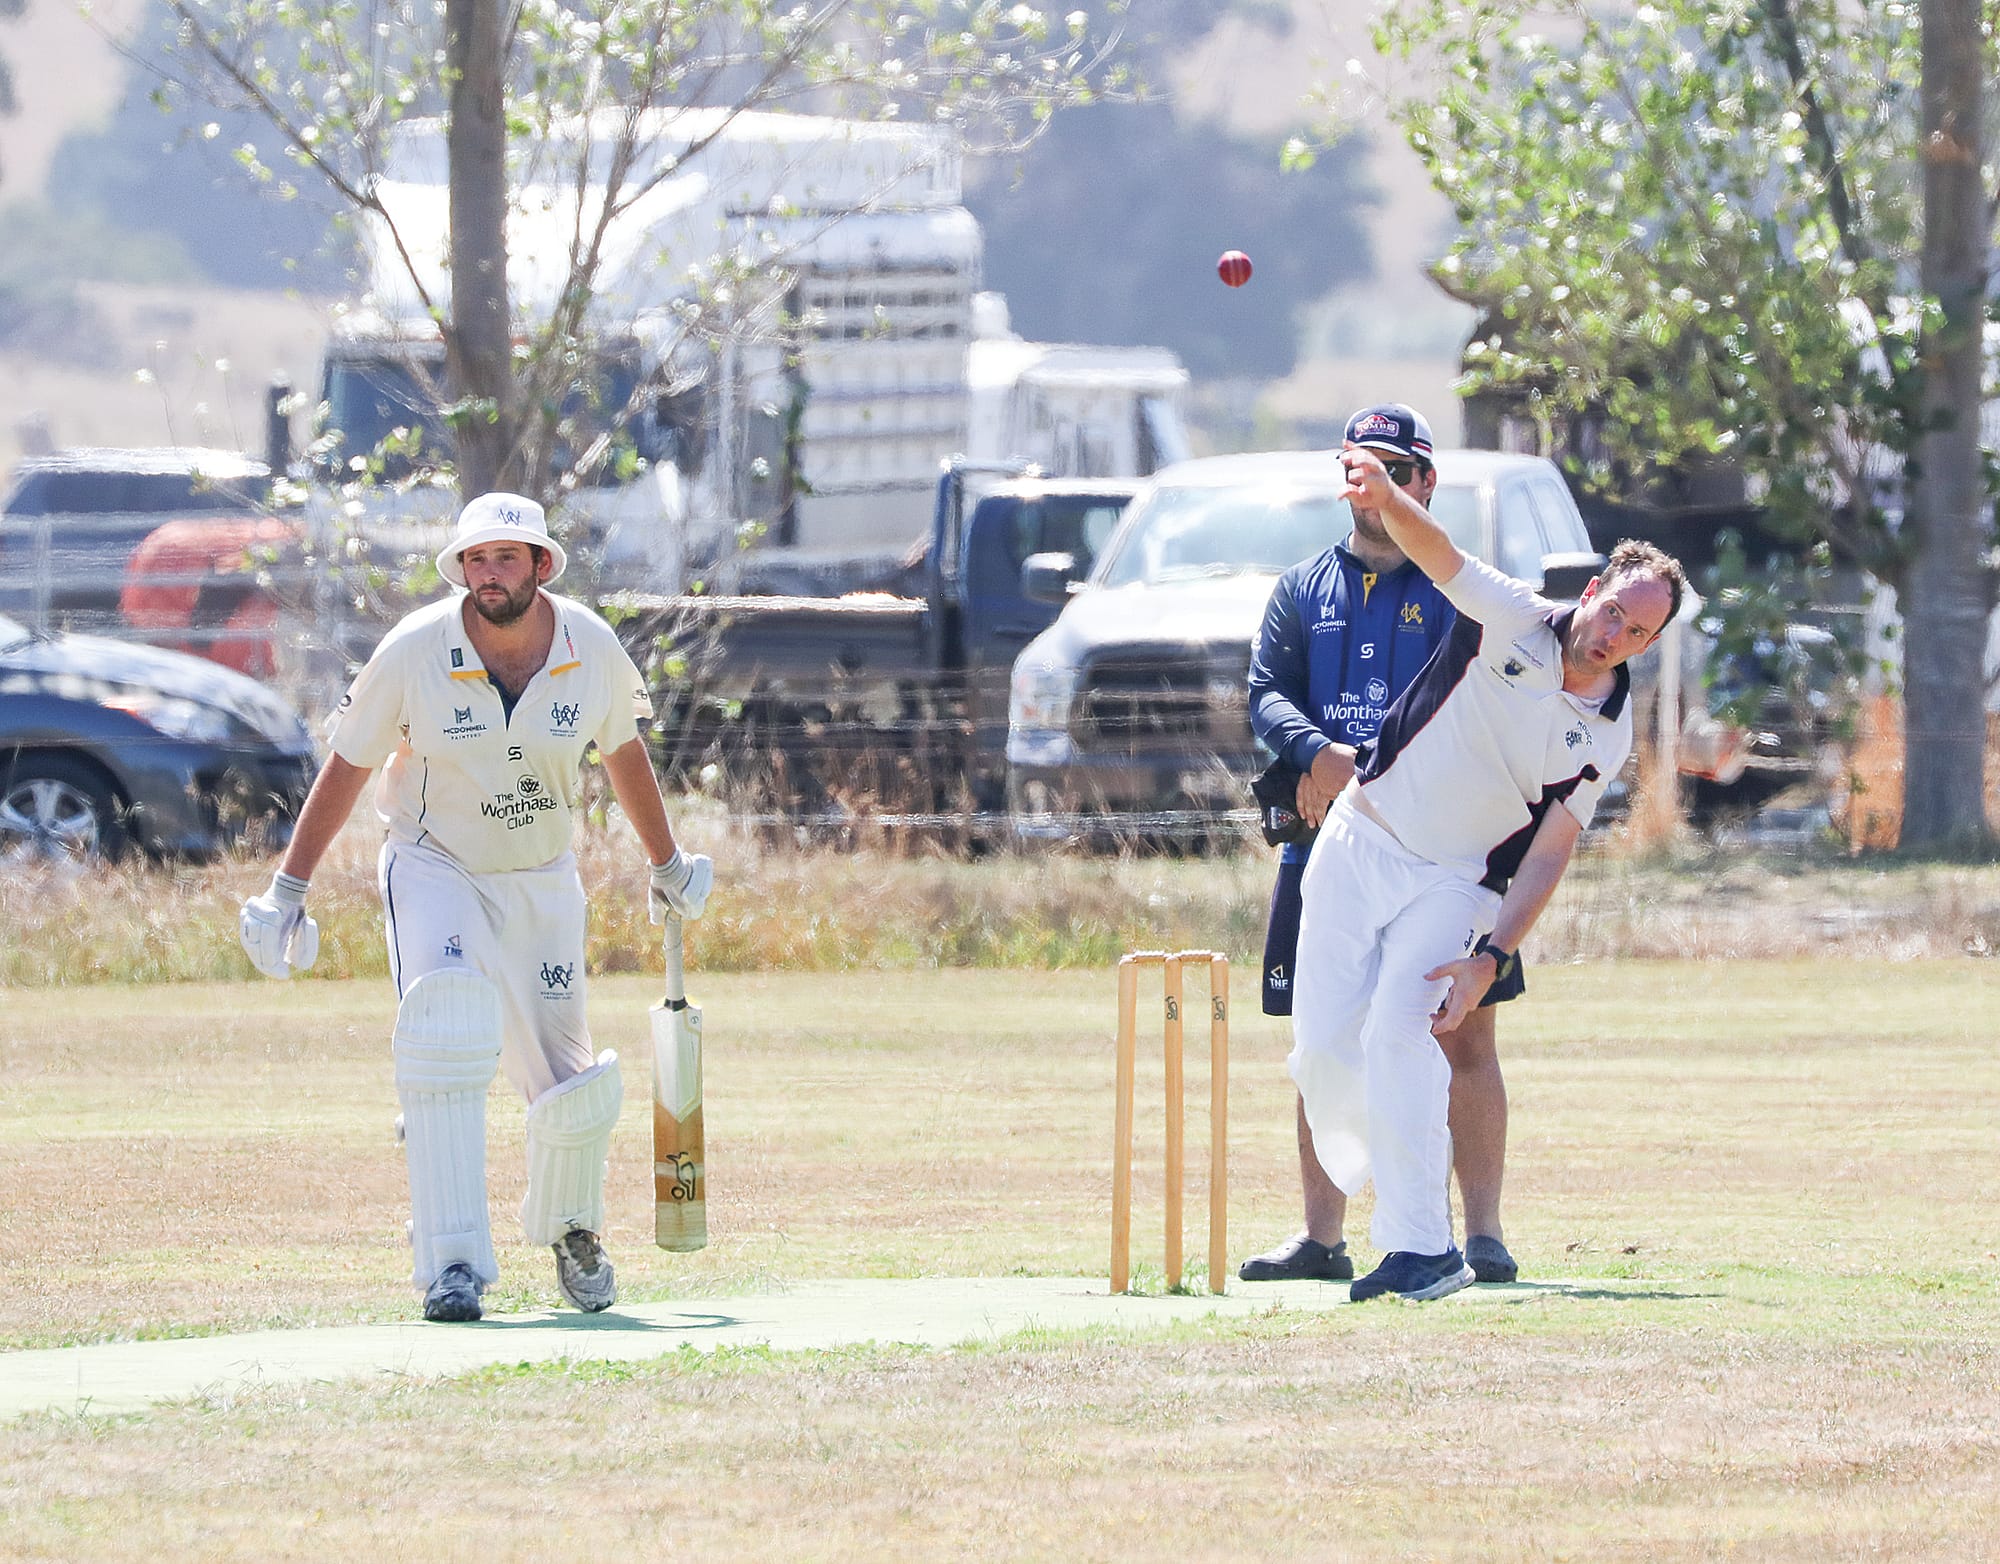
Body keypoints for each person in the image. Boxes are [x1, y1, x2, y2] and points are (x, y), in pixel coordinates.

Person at [236, 492, 714, 1323]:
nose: (489, 574)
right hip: (435, 864)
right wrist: (289, 888)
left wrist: (667, 863)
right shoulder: (416, 649)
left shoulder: (588, 647)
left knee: (571, 1081)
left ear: (539, 565)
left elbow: (624, 751)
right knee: (448, 1038)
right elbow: (349, 764)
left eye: (506, 557)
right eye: (476, 560)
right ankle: (451, 1268)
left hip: (539, 874)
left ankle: (574, 1232)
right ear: (461, 570)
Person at [1292, 445, 1684, 1302]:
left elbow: (1549, 852)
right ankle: (1368, 1162)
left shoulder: (1607, 731)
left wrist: (1491, 957)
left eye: (1636, 633)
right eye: (1614, 612)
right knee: (1321, 1046)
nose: (1613, 636)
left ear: (1646, 643)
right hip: (1362, 834)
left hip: (1457, 882)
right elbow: (1440, 556)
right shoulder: (1513, 615)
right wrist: (1389, 496)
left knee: (1400, 1034)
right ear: (1592, 592)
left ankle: (1420, 1248)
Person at [1238, 404, 1521, 1289]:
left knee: (1459, 1036)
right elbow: (1264, 692)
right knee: (1321, 1036)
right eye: (1362, 465)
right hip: (1325, 842)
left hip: (1441, 851)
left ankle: (1478, 1233)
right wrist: (1316, 754)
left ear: (1425, 483)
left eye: (1396, 467)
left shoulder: (1455, 587)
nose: (1377, 484)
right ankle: (1323, 1236)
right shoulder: (1301, 588)